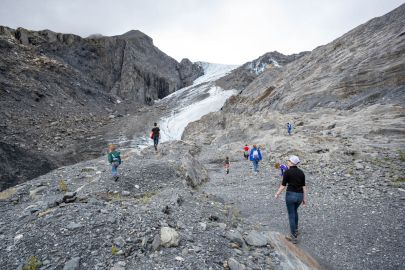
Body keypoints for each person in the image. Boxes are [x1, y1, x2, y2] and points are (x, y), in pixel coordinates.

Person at [275, 155, 307, 244]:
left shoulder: (287, 172)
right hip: (300, 196)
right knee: (295, 211)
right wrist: (304, 199)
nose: (287, 162)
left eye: (289, 160)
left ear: (292, 162)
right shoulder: (301, 172)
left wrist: (277, 193)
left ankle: (293, 236)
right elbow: (304, 187)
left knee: (291, 214)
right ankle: (296, 230)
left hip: (291, 195)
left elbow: (283, 185)